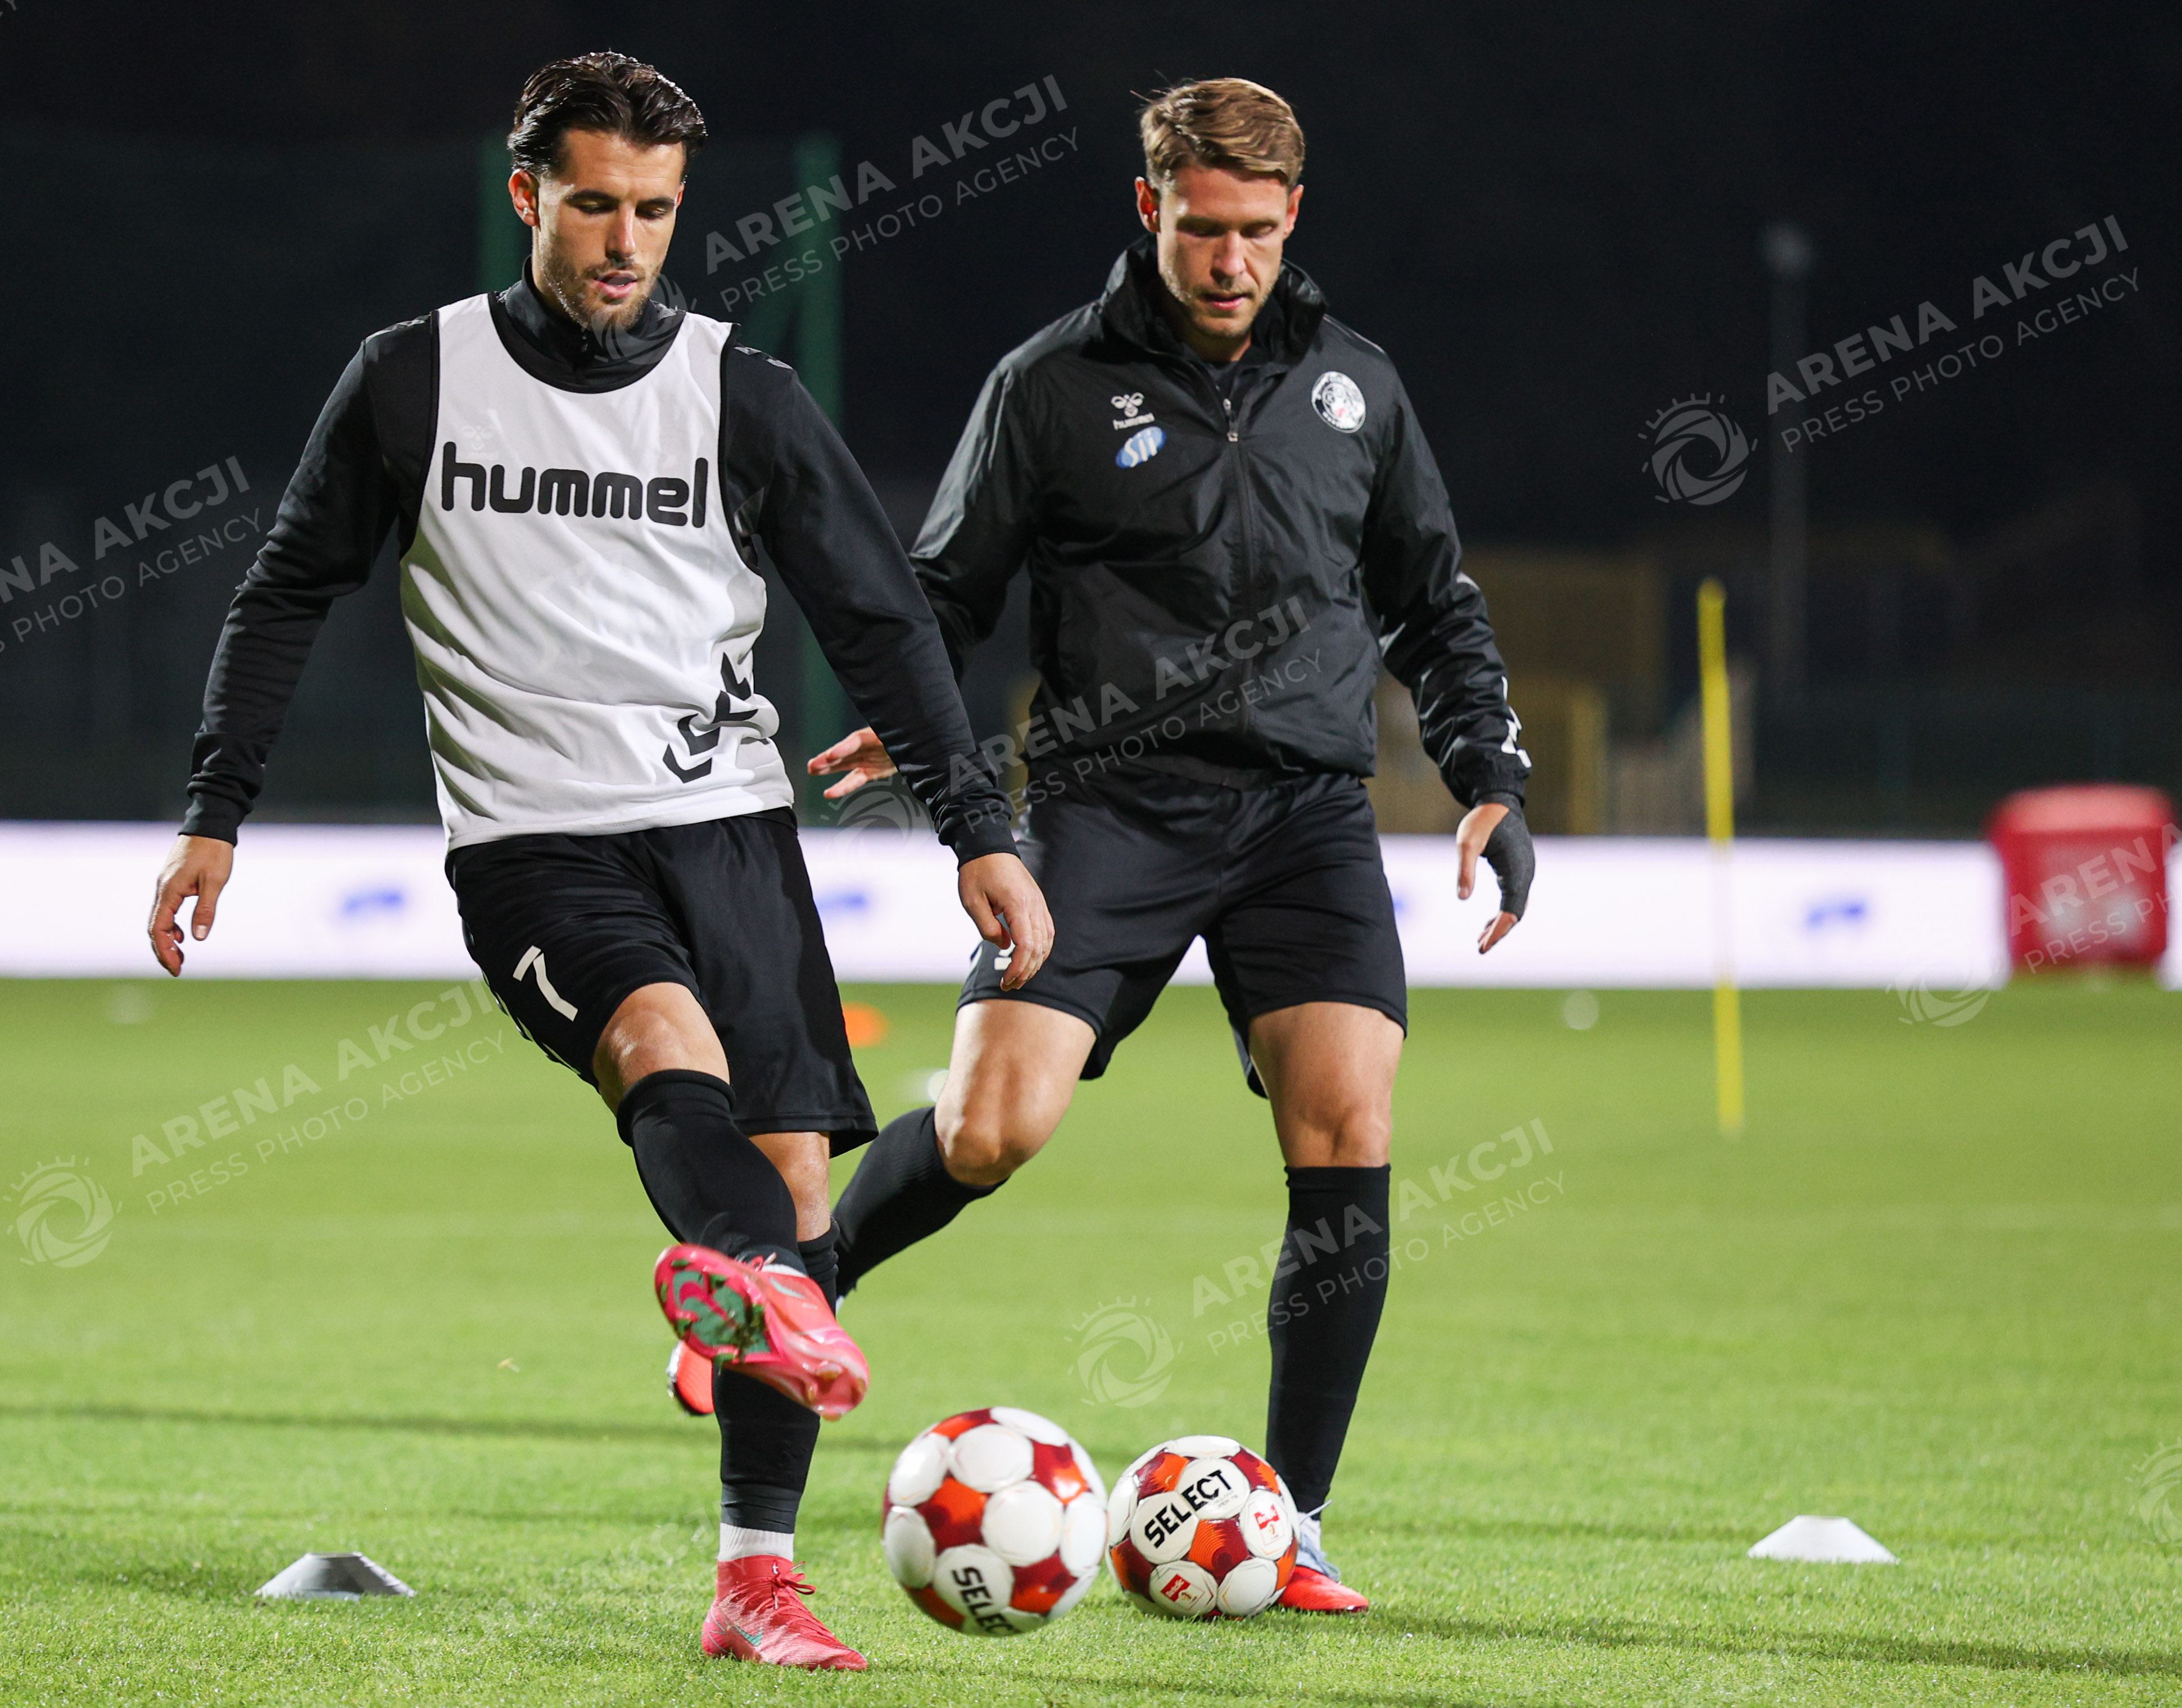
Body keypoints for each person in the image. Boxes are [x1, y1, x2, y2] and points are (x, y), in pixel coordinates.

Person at [145, 52, 1050, 1673]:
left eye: (652, 209)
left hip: (730, 824)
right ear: (526, 195)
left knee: (790, 1186)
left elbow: (877, 620)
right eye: (592, 205)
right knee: (658, 1045)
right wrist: (219, 807)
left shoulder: (739, 391)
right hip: (532, 835)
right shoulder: (412, 380)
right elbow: (283, 592)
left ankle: (754, 1575)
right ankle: (756, 1285)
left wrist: (974, 825)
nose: (624, 239)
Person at [809, 78, 1536, 1614]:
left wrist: (1487, 770)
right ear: (1149, 208)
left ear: (1293, 218)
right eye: (1202, 227)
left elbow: (1432, 598)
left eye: (1257, 231)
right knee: (991, 1126)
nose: (1229, 260)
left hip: (1303, 816)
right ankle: (800, 1279)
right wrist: (901, 705)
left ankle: (1296, 1521)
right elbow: (943, 586)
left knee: (1347, 1123)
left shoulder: (1355, 385)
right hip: (1109, 807)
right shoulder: (1050, 384)